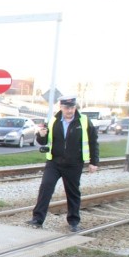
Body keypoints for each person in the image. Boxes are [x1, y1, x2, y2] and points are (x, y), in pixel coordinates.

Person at [27, 95, 99, 232]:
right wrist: (41, 135)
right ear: (61, 107)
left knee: (72, 192)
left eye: (72, 107)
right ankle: (37, 219)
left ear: (75, 107)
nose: (70, 110)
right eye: (67, 108)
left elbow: (93, 142)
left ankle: (73, 222)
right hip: (54, 162)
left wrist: (93, 162)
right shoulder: (53, 120)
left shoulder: (84, 121)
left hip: (74, 163)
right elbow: (44, 142)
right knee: (45, 187)